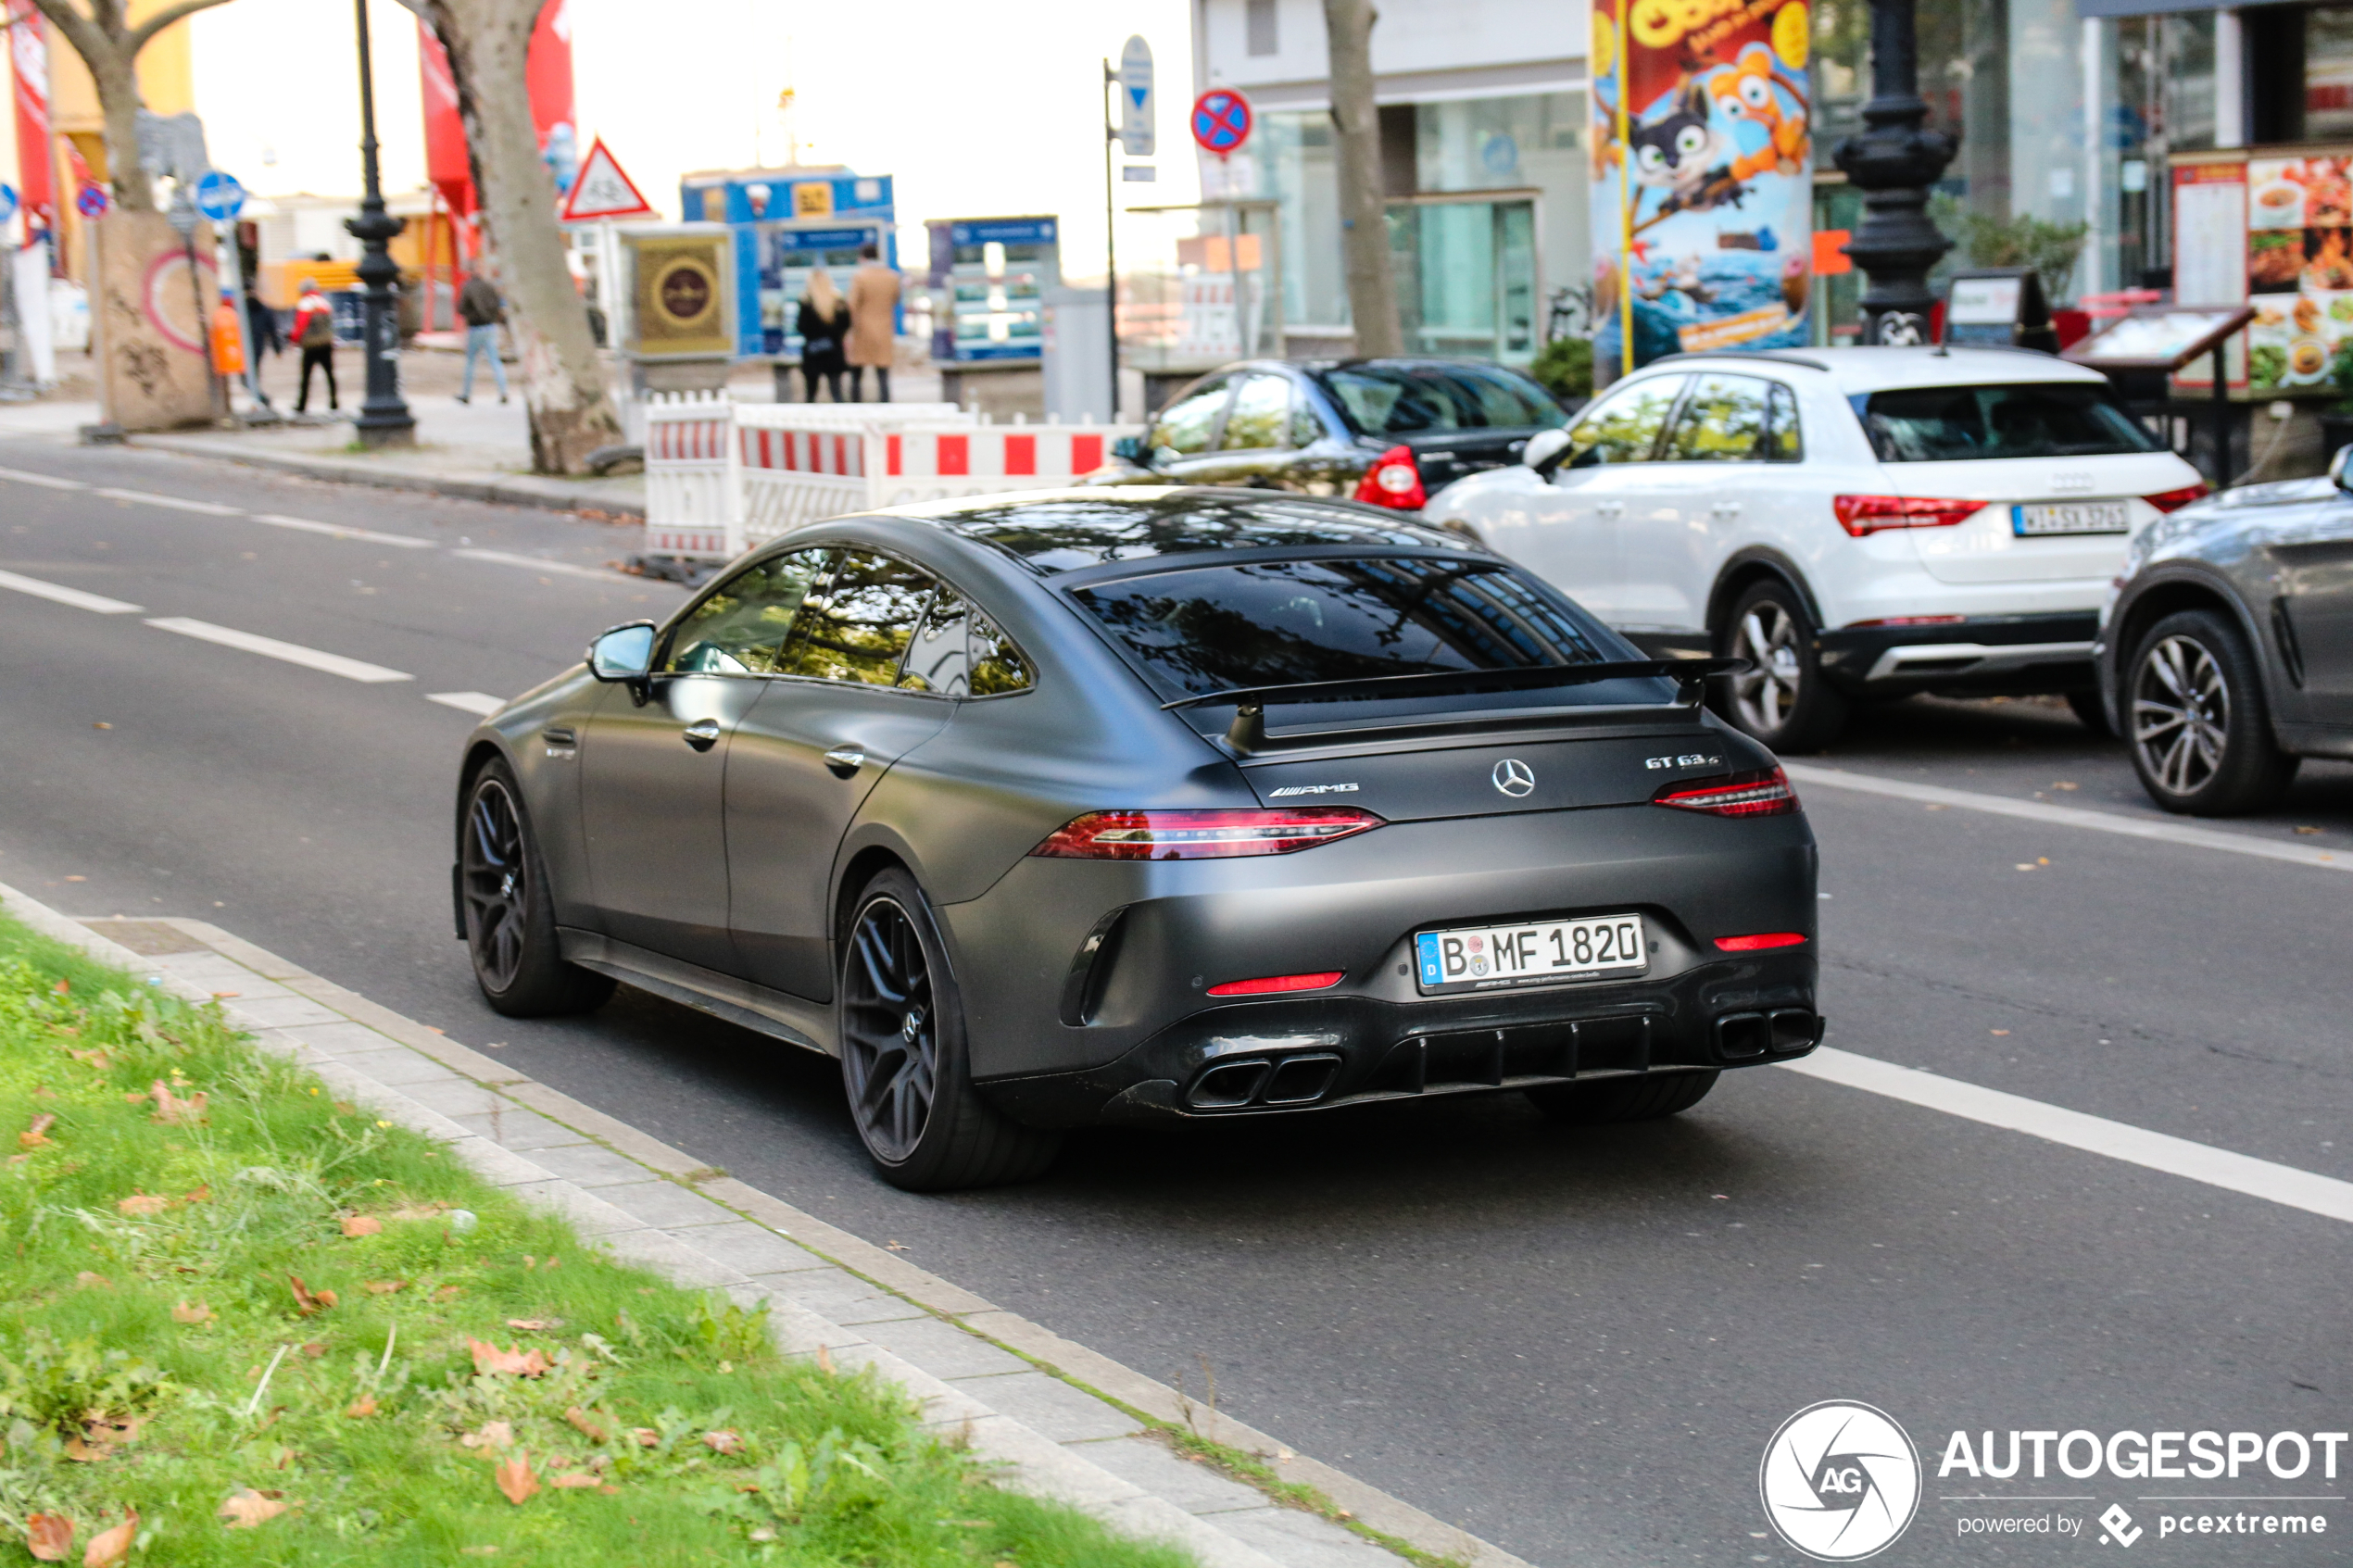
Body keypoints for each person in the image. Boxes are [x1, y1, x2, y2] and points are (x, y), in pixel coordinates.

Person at [846, 242, 899, 403]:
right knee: (882, 374)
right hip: (884, 328)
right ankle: (885, 405)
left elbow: (852, 304)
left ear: (862, 257)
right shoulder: (892, 277)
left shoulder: (860, 276)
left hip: (862, 330)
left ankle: (856, 406)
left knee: (856, 374)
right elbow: (895, 299)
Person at [456, 265, 509, 405]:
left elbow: (461, 308)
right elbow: (498, 303)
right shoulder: (490, 286)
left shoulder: (467, 287)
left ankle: (466, 394)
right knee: (495, 360)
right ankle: (503, 391)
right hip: (490, 327)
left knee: (471, 362)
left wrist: (471, 314)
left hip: (475, 328)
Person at [795, 268, 849, 402]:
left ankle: (808, 421)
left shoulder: (806, 302)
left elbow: (801, 327)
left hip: (813, 352)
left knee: (811, 394)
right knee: (836, 392)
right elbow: (846, 324)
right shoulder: (838, 301)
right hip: (834, 351)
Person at [291, 278, 338, 412]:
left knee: (306, 377)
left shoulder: (305, 303)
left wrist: (294, 340)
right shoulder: (324, 302)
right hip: (326, 343)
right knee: (330, 374)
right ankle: (334, 402)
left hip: (311, 345)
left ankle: (302, 404)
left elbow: (300, 326)